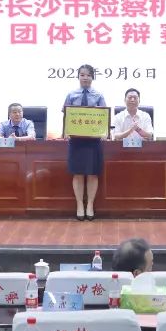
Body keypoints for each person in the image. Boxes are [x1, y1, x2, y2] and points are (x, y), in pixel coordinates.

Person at [63, 64, 107, 221]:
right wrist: (66, 131)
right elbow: (66, 116)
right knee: (78, 173)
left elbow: (103, 117)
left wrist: (104, 132)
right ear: (78, 77)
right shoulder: (71, 95)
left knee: (93, 173)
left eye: (88, 75)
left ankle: (90, 205)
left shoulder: (99, 95)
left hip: (93, 141)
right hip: (76, 141)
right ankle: (79, 204)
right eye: (82, 75)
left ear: (92, 77)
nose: (85, 78)